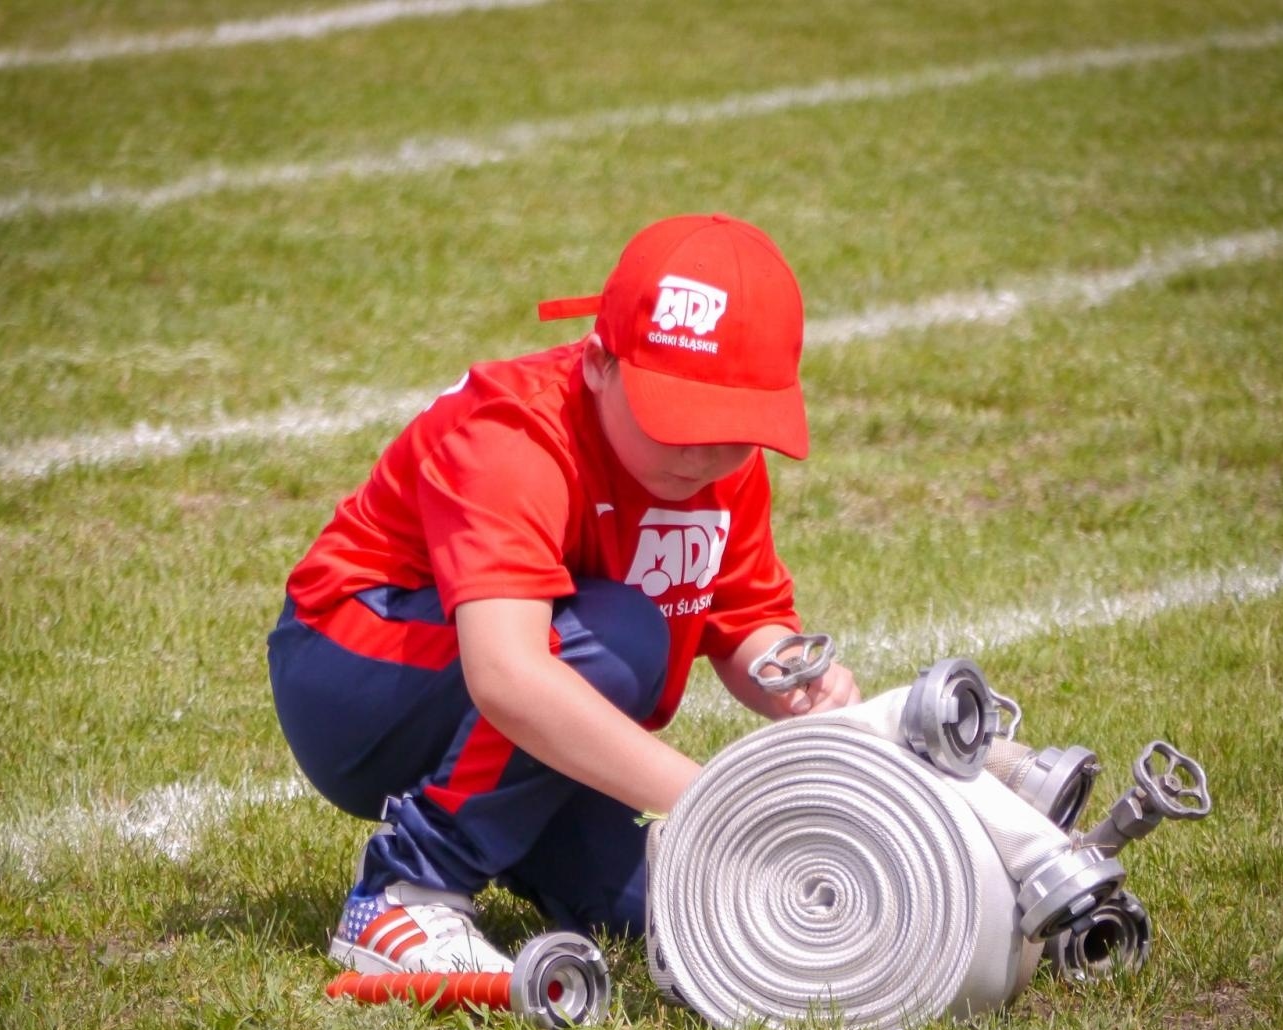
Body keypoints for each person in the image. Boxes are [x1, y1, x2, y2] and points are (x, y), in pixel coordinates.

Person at [267, 213, 860, 976]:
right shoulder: (513, 433)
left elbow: (744, 618)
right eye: (680, 418)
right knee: (622, 636)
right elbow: (508, 674)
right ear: (600, 362)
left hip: (515, 673)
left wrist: (796, 683)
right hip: (351, 673)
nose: (703, 453)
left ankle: (511, 834)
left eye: (734, 426)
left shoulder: (720, 465)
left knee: (668, 902)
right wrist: (709, 797)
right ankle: (407, 889)